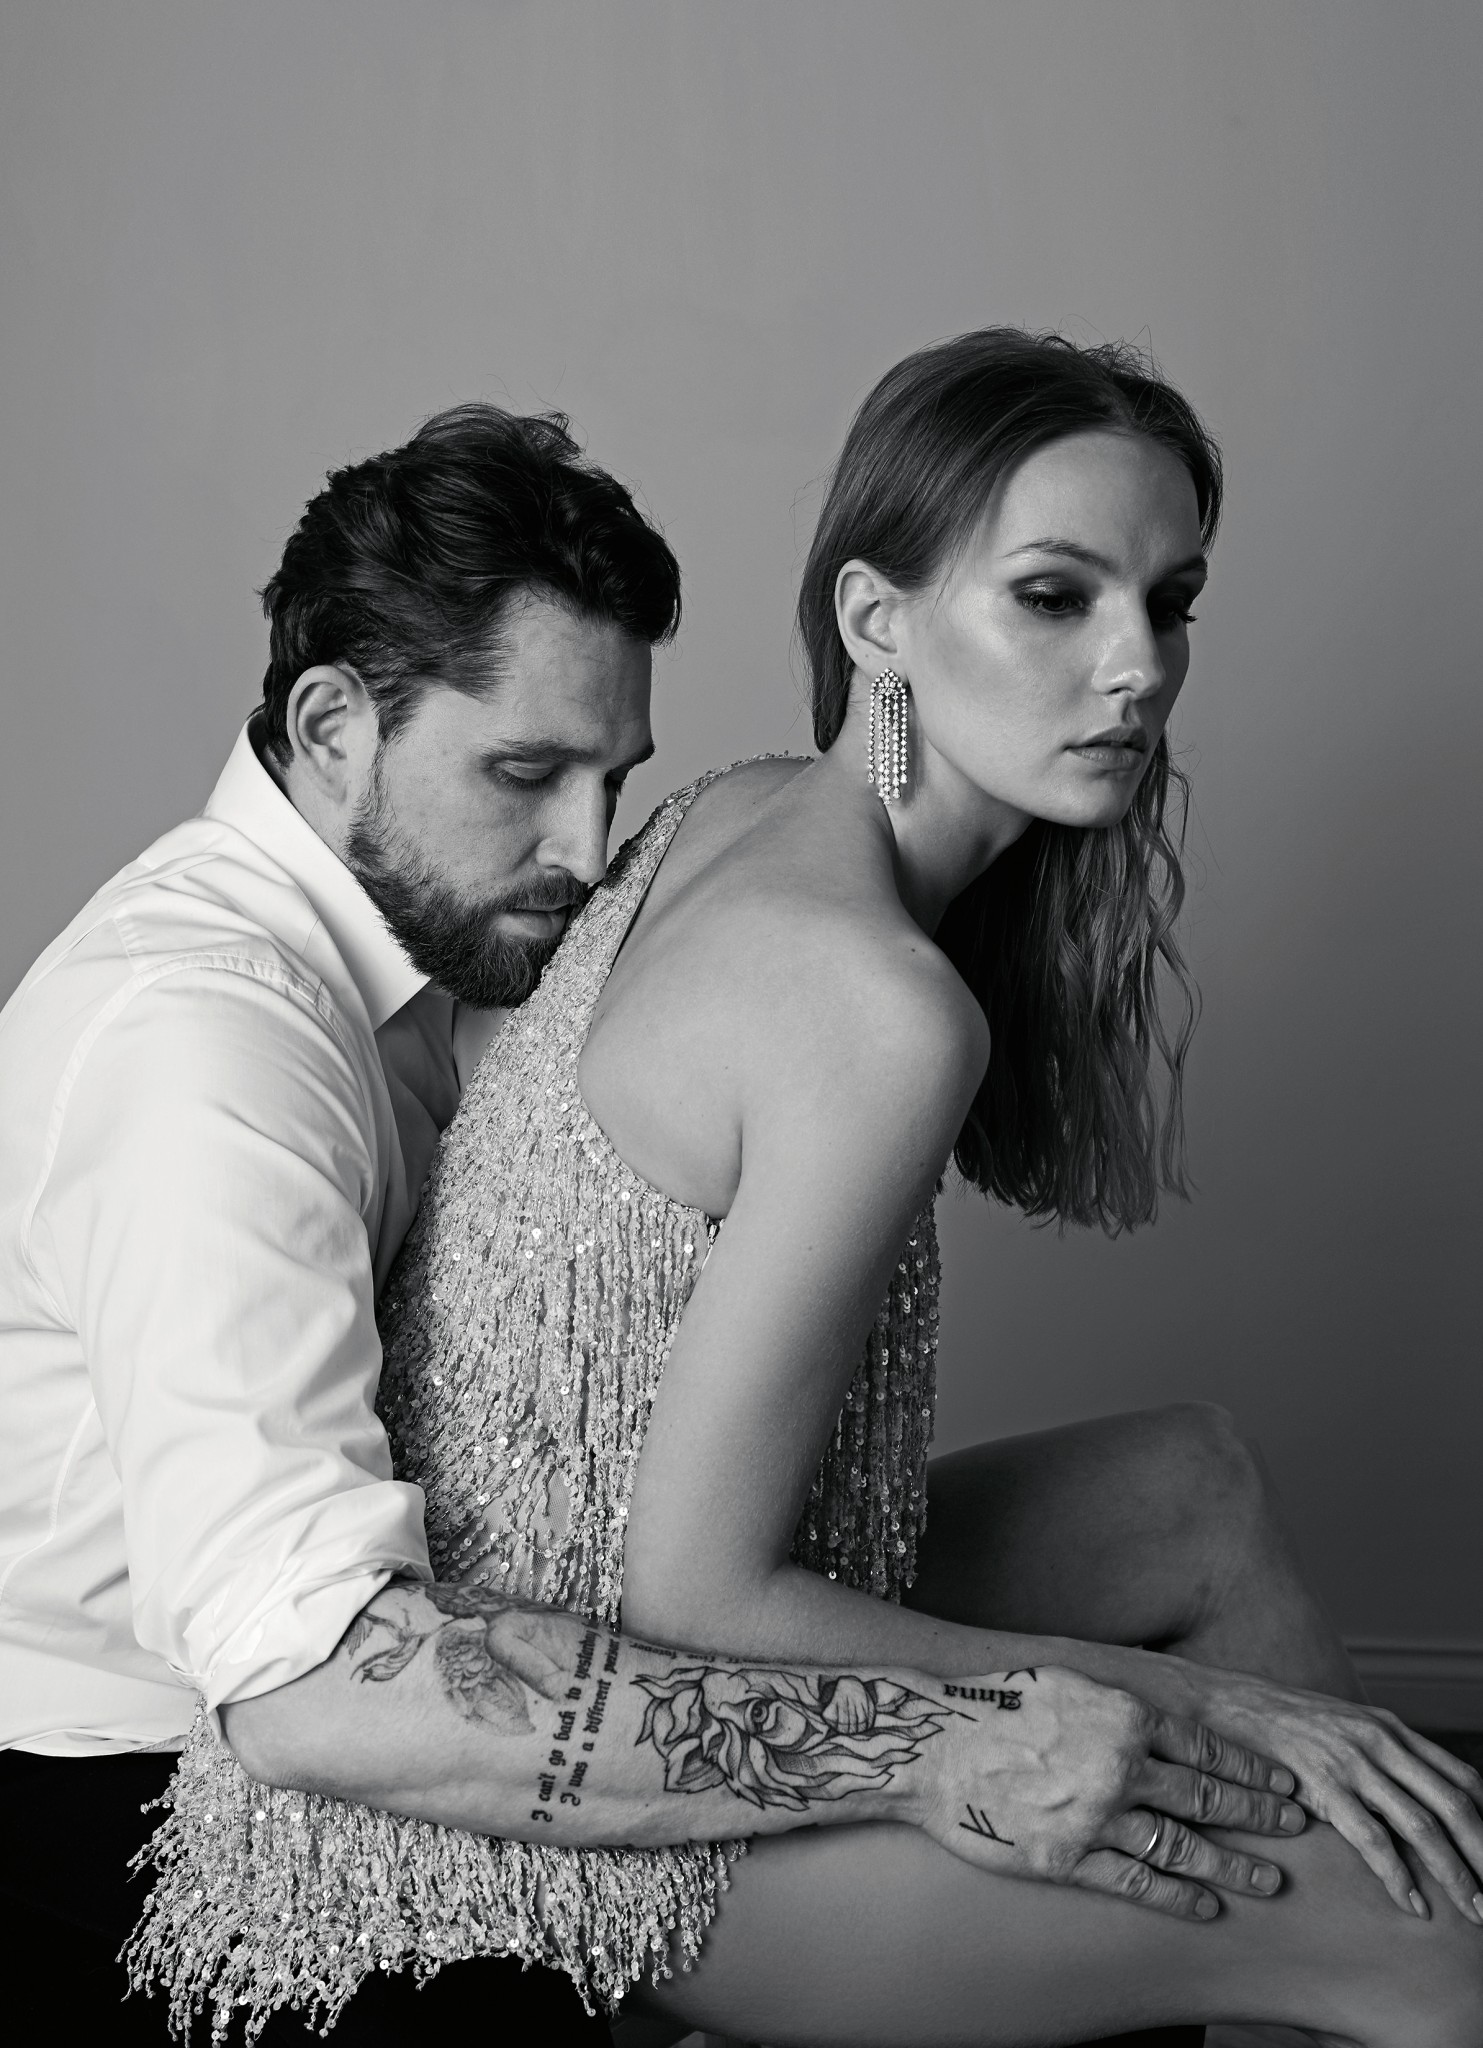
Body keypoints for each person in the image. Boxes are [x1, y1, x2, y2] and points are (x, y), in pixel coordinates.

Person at [131, 337, 1483, 2046]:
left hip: (615, 1613)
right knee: (1436, 1954)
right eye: (1055, 597)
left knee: (1194, 1485)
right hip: (577, 1806)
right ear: (875, 620)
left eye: (1171, 601)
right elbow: (699, 1602)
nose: (1137, 666)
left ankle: (1332, 1883)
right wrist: (1209, 1706)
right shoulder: (877, 1007)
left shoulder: (741, 807)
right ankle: (1362, 1934)